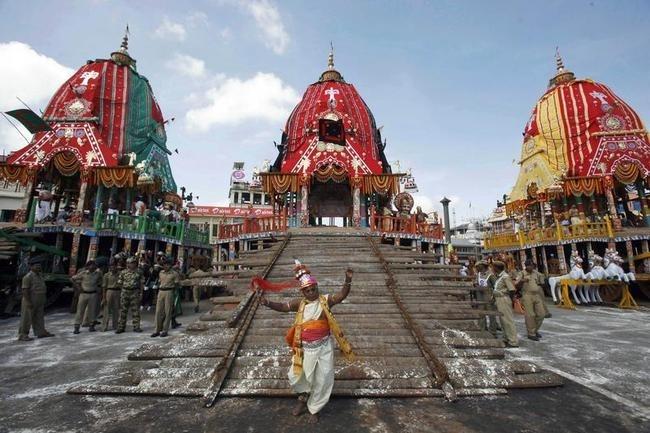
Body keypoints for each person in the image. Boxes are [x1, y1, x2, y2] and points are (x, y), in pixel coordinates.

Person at [255, 261, 355, 424]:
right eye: (307, 290)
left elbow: (342, 295)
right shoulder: (299, 303)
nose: (311, 292)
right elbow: (282, 307)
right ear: (303, 292)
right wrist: (267, 303)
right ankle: (302, 399)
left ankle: (314, 408)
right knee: (298, 377)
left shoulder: (326, 300)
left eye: (313, 289)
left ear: (317, 287)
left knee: (323, 379)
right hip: (305, 349)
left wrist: (348, 280)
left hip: (324, 348)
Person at [17, 258, 55, 341]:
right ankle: (23, 334)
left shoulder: (40, 275)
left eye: (39, 266)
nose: (38, 267)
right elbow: (25, 290)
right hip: (31, 298)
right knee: (27, 318)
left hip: (40, 299)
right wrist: (28, 301)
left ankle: (40, 332)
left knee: (39, 317)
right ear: (31, 267)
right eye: (36, 266)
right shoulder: (28, 277)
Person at [516, 260, 548, 341]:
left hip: (537, 295)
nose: (531, 267)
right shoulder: (521, 273)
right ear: (526, 266)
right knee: (530, 315)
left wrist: (542, 281)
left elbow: (541, 282)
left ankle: (535, 330)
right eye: (529, 266)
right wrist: (522, 281)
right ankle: (531, 333)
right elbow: (516, 284)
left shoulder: (536, 273)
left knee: (541, 314)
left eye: (532, 266)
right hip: (527, 295)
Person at [151, 257, 181, 337]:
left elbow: (177, 284)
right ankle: (157, 330)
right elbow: (159, 281)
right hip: (161, 291)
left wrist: (175, 293)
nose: (165, 266)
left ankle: (165, 330)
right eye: (164, 265)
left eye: (167, 265)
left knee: (168, 311)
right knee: (158, 311)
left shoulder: (174, 274)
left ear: (170, 265)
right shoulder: (161, 273)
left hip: (169, 291)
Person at [491, 260, 518, 348]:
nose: (492, 269)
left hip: (504, 299)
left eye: (493, 267)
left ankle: (513, 341)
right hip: (498, 299)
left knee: (508, 320)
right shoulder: (498, 276)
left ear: (497, 268)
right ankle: (506, 338)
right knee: (502, 321)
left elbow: (512, 289)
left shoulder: (505, 277)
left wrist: (510, 298)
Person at [71, 261, 103, 334]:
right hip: (83, 294)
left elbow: (101, 281)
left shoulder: (98, 274)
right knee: (80, 311)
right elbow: (73, 278)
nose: (93, 267)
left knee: (92, 311)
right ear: (88, 266)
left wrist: (98, 288)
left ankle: (91, 326)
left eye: (94, 266)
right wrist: (78, 287)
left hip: (93, 294)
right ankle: (77, 327)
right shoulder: (83, 273)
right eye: (91, 265)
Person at [115, 257, 144, 333]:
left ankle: (136, 326)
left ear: (134, 263)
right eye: (128, 263)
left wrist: (141, 293)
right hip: (125, 292)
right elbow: (120, 283)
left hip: (135, 292)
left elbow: (141, 283)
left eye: (131, 263)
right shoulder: (123, 272)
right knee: (123, 311)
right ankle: (121, 327)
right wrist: (123, 291)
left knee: (135, 310)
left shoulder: (139, 272)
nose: (129, 264)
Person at [474, 261, 498, 336]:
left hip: (488, 296)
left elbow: (496, 286)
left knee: (491, 314)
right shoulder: (478, 274)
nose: (477, 268)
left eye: (478, 266)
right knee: (481, 314)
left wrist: (493, 296)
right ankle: (482, 329)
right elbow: (475, 282)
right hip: (480, 296)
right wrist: (475, 284)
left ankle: (493, 331)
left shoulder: (491, 275)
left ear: (483, 266)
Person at [101, 262, 121, 331]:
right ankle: (104, 326)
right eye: (111, 267)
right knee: (107, 309)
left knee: (116, 309)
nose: (112, 268)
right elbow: (104, 286)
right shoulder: (106, 275)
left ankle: (115, 325)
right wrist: (103, 297)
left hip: (117, 291)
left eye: (114, 266)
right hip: (109, 291)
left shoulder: (120, 274)